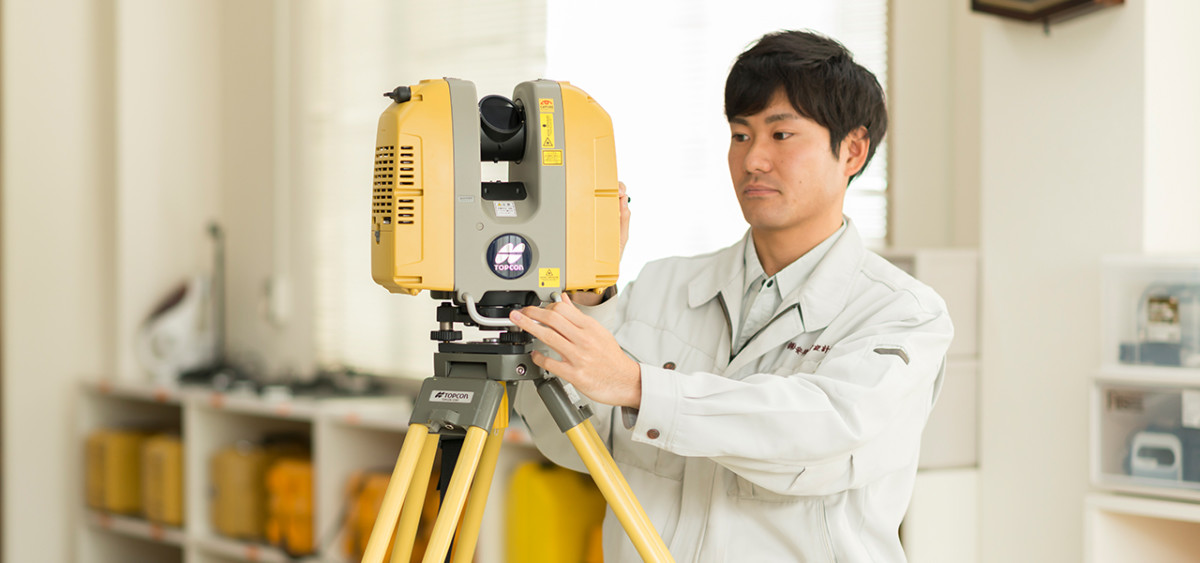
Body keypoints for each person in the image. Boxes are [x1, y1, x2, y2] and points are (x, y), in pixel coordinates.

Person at [510, 30, 954, 562]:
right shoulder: (661, 286)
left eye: (781, 134)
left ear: (852, 150)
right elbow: (572, 444)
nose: (753, 160)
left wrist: (638, 386)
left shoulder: (904, 314)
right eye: (740, 135)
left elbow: (820, 432)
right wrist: (587, 294)